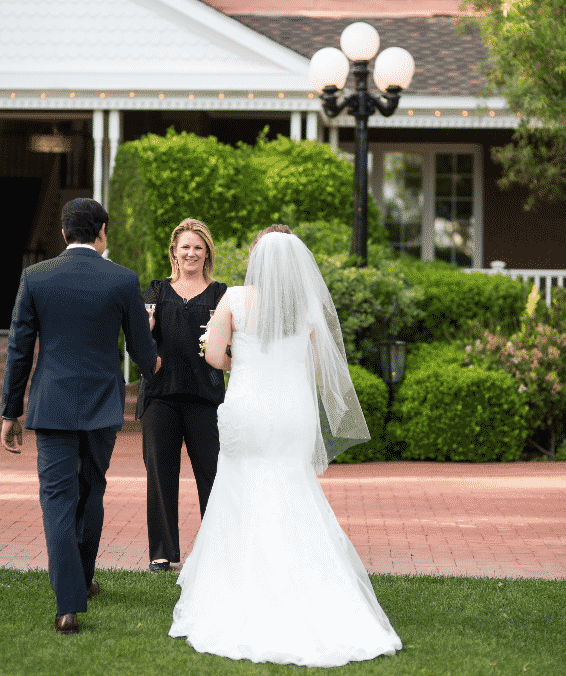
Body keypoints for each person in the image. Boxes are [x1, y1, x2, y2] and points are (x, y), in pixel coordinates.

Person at [168, 225, 402, 666]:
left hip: (249, 412)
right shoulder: (306, 307)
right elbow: (316, 361)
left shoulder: (234, 298)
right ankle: (307, 581)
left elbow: (215, 356)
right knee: (293, 489)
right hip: (291, 415)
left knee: (240, 488)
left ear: (257, 262)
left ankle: (239, 585)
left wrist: (246, 360)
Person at [1, 198, 159, 635]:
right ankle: (83, 581)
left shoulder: (36, 276)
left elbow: (19, 348)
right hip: (103, 406)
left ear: (65, 233)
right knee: (91, 491)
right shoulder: (123, 279)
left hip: (51, 404)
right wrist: (156, 366)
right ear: (102, 230)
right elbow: (142, 349)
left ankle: (68, 604)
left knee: (56, 499)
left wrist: (10, 411)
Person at [137, 218, 227, 573]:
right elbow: (139, 338)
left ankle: (217, 547)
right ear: (174, 252)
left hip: (206, 396)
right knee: (160, 475)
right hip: (161, 396)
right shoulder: (155, 291)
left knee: (213, 475)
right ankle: (162, 552)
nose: (191, 253)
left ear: (207, 254)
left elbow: (234, 341)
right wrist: (147, 343)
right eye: (184, 247)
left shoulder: (221, 294)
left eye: (198, 247)